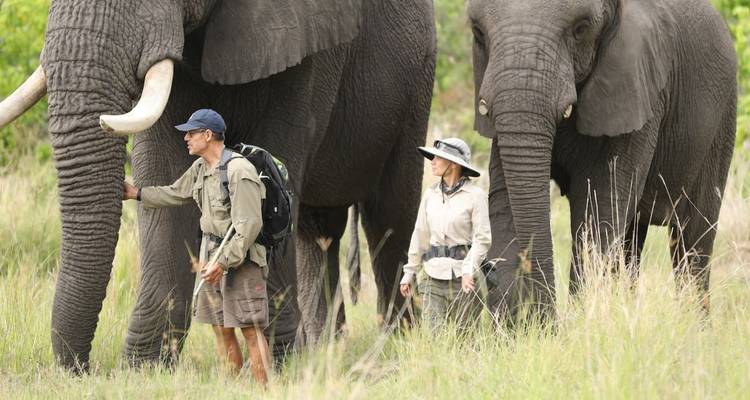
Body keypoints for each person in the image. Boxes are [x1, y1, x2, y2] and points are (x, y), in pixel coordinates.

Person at [122, 109, 271, 385]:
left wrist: (223, 262)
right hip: (210, 256)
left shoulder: (240, 170)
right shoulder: (201, 168)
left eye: (191, 133)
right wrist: (138, 193)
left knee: (250, 329)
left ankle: (265, 392)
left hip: (242, 259)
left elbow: (248, 226)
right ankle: (235, 389)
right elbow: (177, 192)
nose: (186, 138)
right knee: (220, 328)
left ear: (208, 135)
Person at [399, 138, 491, 331]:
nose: (432, 161)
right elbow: (420, 235)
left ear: (454, 163)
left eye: (438, 158)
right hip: (432, 276)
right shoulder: (430, 194)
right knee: (434, 338)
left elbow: (482, 239)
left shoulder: (476, 196)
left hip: (464, 279)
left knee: (464, 341)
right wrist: (410, 272)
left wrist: (469, 270)